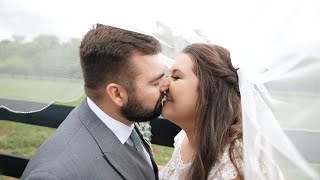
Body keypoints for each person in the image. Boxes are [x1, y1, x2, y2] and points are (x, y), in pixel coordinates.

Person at [21, 24, 169, 180]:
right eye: (155, 82)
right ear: (117, 94)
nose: (166, 85)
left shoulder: (124, 117)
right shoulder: (55, 175)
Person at [160, 43, 243, 180]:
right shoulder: (184, 139)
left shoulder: (232, 168)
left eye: (176, 77)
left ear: (210, 90)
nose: (164, 84)